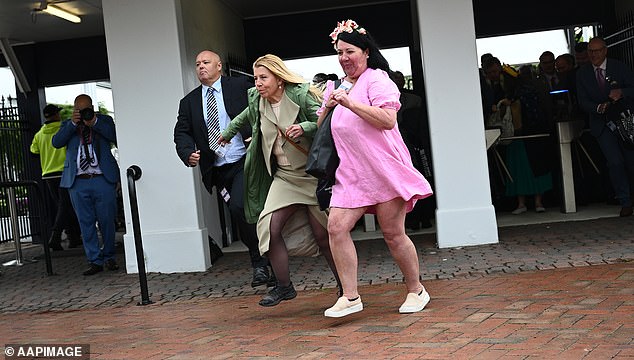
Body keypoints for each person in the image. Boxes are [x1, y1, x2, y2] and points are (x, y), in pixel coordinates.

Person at [320, 19, 433, 318]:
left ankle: (416, 289)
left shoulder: (378, 79)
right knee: (336, 227)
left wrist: (349, 104)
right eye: (340, 52)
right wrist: (328, 107)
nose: (344, 58)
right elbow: (322, 129)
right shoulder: (337, 86)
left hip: (383, 169)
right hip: (350, 174)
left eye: (350, 51)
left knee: (393, 234)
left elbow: (387, 120)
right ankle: (350, 296)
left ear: (366, 52)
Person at [219, 54, 341, 307]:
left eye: (264, 78)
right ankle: (284, 286)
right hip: (284, 178)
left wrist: (304, 128)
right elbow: (244, 117)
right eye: (256, 78)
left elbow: (326, 122)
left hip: (311, 176)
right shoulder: (257, 99)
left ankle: (344, 286)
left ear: (279, 79)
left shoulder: (300, 94)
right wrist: (228, 134)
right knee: (269, 228)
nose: (258, 83)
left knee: (324, 236)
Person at [174, 50, 273, 286]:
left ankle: (260, 263)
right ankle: (266, 256)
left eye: (206, 62)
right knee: (239, 212)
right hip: (219, 169)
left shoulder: (240, 86)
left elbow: (264, 104)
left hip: (245, 161)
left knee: (241, 206)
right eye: (197, 64)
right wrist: (188, 152)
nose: (201, 67)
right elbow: (182, 132)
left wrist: (258, 134)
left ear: (219, 66)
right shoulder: (189, 102)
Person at [52, 94, 120, 275]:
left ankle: (109, 257)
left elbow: (115, 137)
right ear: (75, 109)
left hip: (102, 179)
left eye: (85, 109)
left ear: (92, 107)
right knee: (85, 222)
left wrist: (94, 122)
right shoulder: (68, 124)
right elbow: (56, 143)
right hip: (78, 181)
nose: (82, 113)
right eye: (79, 110)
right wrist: (73, 125)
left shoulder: (104, 120)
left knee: (107, 220)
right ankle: (94, 260)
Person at [576, 37, 634, 217]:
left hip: (624, 121)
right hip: (601, 124)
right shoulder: (583, 73)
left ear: (605, 50)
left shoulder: (619, 67)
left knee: (631, 161)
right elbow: (582, 100)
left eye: (597, 50)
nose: (594, 54)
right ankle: (625, 200)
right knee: (615, 162)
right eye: (591, 51)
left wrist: (621, 93)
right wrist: (596, 108)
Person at [30, 104, 82, 251]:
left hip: (47, 175)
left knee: (64, 206)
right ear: (56, 115)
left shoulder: (39, 134)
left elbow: (33, 151)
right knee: (65, 205)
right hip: (65, 172)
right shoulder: (64, 128)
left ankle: (73, 238)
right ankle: (56, 236)